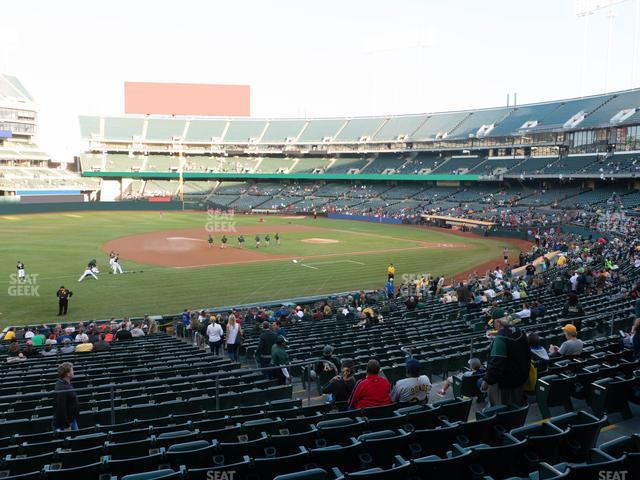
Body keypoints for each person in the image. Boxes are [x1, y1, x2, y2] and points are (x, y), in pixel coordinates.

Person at [481, 309, 531, 406]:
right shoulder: (519, 330)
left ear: (498, 322)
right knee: (516, 405)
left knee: (503, 409)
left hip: (506, 382)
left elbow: (497, 363)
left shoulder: (500, 339)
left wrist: (487, 380)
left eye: (494, 323)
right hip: (521, 377)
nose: (493, 325)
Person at [52, 362, 80, 431]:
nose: (73, 372)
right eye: (72, 370)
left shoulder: (65, 383)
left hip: (71, 420)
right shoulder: (61, 387)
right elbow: (61, 408)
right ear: (67, 374)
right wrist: (66, 426)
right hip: (65, 424)